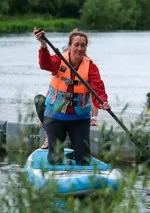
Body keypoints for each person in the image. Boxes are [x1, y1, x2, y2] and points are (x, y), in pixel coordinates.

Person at [33, 28, 110, 165]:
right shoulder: (58, 59)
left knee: (84, 161)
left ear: (86, 48)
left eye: (83, 45)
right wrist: (43, 45)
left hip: (79, 118)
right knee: (55, 160)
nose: (79, 48)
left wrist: (102, 102)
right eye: (76, 45)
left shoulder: (91, 67)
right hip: (55, 116)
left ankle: (76, 154)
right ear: (69, 46)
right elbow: (45, 64)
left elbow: (97, 88)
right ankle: (55, 151)